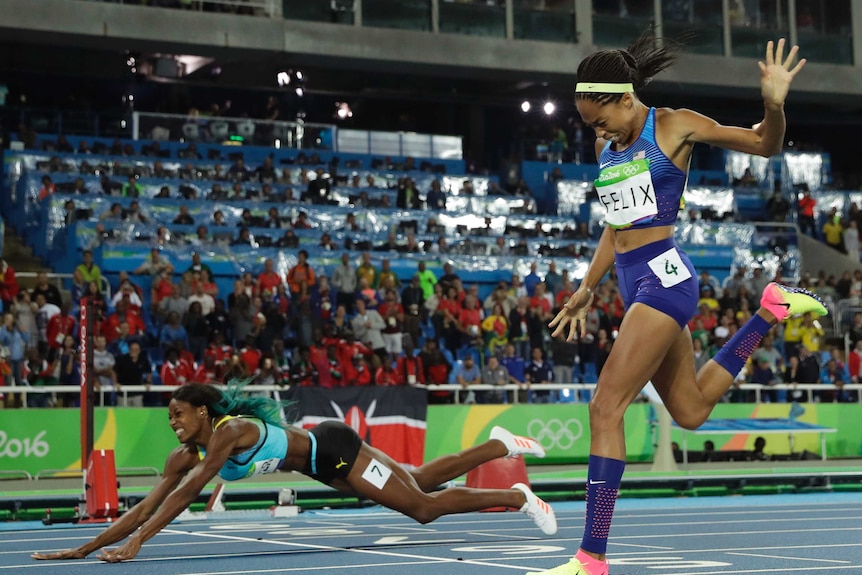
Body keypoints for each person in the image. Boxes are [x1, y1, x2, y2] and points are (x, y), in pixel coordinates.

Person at [542, 36, 826, 575]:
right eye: (589, 126)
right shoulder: (611, 151)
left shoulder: (673, 126)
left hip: (663, 281)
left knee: (606, 406)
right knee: (691, 412)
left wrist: (773, 104)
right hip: (632, 284)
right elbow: (616, 227)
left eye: (600, 121)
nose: (596, 134)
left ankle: (590, 558)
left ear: (626, 99)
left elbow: (765, 145)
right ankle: (770, 310)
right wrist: (586, 288)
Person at [33, 381, 555, 563]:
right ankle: (497, 444)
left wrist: (140, 544)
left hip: (333, 448)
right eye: (168, 417)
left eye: (178, 414)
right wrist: (84, 548)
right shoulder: (182, 456)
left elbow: (191, 493)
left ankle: (515, 496)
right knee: (416, 480)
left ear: (203, 414)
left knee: (420, 508)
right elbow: (147, 505)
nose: (172, 423)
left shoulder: (229, 432)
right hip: (322, 465)